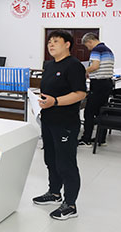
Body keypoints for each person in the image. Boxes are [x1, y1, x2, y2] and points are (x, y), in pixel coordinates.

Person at [33, 30, 86, 220]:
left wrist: (55, 101)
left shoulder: (74, 65)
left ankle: (70, 204)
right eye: (49, 42)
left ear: (67, 44)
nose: (51, 44)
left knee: (66, 163)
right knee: (51, 159)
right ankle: (54, 193)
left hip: (65, 122)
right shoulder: (49, 65)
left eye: (56, 41)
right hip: (48, 119)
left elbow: (80, 94)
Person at [79, 33, 115, 146]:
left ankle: (86, 139)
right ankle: (101, 138)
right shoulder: (108, 50)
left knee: (89, 112)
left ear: (89, 41)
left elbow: (95, 66)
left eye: (87, 46)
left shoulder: (96, 50)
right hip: (107, 83)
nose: (88, 48)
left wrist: (84, 71)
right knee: (101, 111)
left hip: (98, 84)